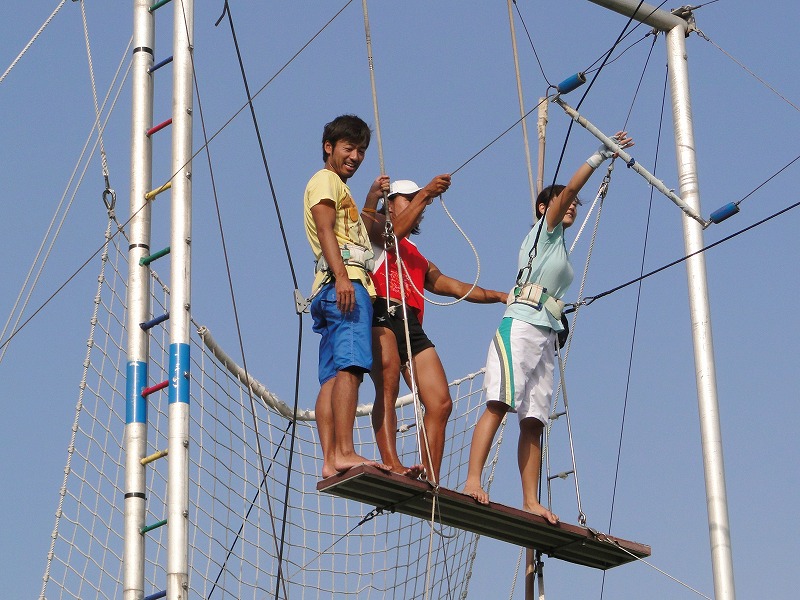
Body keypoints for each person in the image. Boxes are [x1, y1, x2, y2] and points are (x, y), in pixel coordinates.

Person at [462, 132, 634, 523]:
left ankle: (530, 500)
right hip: (522, 325)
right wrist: (600, 154)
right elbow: (571, 188)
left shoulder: (560, 249)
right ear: (544, 208)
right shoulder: (545, 230)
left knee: (534, 419)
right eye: (565, 202)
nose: (573, 205)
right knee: (500, 402)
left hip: (545, 333)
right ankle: (473, 479)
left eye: (575, 205)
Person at [362, 176, 508, 484]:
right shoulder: (374, 226)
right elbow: (390, 235)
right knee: (388, 386)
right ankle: (392, 462)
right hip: (381, 312)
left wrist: (499, 296)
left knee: (440, 402)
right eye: (409, 198)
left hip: (410, 322)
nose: (419, 204)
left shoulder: (416, 255)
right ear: (390, 204)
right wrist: (427, 192)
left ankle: (430, 479)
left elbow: (453, 286)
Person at [303, 114, 390, 479]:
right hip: (345, 283)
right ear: (329, 147)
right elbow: (325, 229)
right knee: (352, 368)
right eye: (349, 148)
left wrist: (370, 198)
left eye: (361, 150)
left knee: (332, 378)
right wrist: (342, 278)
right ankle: (344, 451)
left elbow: (356, 232)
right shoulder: (326, 180)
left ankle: (330, 458)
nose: (355, 156)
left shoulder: (340, 188)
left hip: (329, 287)